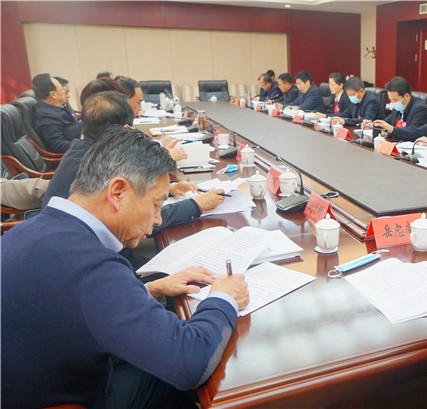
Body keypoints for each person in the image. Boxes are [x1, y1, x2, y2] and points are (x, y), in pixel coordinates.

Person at [2, 127, 249, 408]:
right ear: (118, 192)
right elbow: (189, 363)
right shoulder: (91, 264)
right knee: (168, 381)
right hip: (73, 397)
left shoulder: (32, 230)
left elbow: (74, 305)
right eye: (156, 204)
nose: (158, 219)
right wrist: (224, 298)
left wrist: (148, 290)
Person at [42, 90, 224, 236]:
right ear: (125, 129)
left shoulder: (83, 149)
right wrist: (196, 205)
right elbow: (136, 221)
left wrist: (166, 190)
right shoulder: (98, 164)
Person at [366, 76, 427, 140]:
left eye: (395, 100)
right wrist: (374, 125)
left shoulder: (420, 109)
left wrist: (392, 130)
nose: (393, 103)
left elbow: (413, 133)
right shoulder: (399, 106)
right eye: (391, 100)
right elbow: (388, 121)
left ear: (407, 96)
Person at [31, 73, 81, 153]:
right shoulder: (45, 116)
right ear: (53, 94)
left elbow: (72, 122)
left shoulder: (56, 107)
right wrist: (86, 145)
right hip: (77, 154)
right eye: (62, 89)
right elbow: (58, 145)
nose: (65, 92)